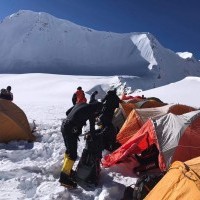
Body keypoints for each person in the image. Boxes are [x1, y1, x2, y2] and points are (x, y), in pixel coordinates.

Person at [59, 102, 103, 188]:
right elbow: (92, 129)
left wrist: (78, 119)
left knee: (69, 151)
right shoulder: (91, 111)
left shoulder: (81, 104)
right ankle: (64, 178)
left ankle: (67, 170)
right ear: (96, 110)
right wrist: (97, 135)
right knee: (73, 155)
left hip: (64, 126)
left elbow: (67, 112)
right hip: (70, 130)